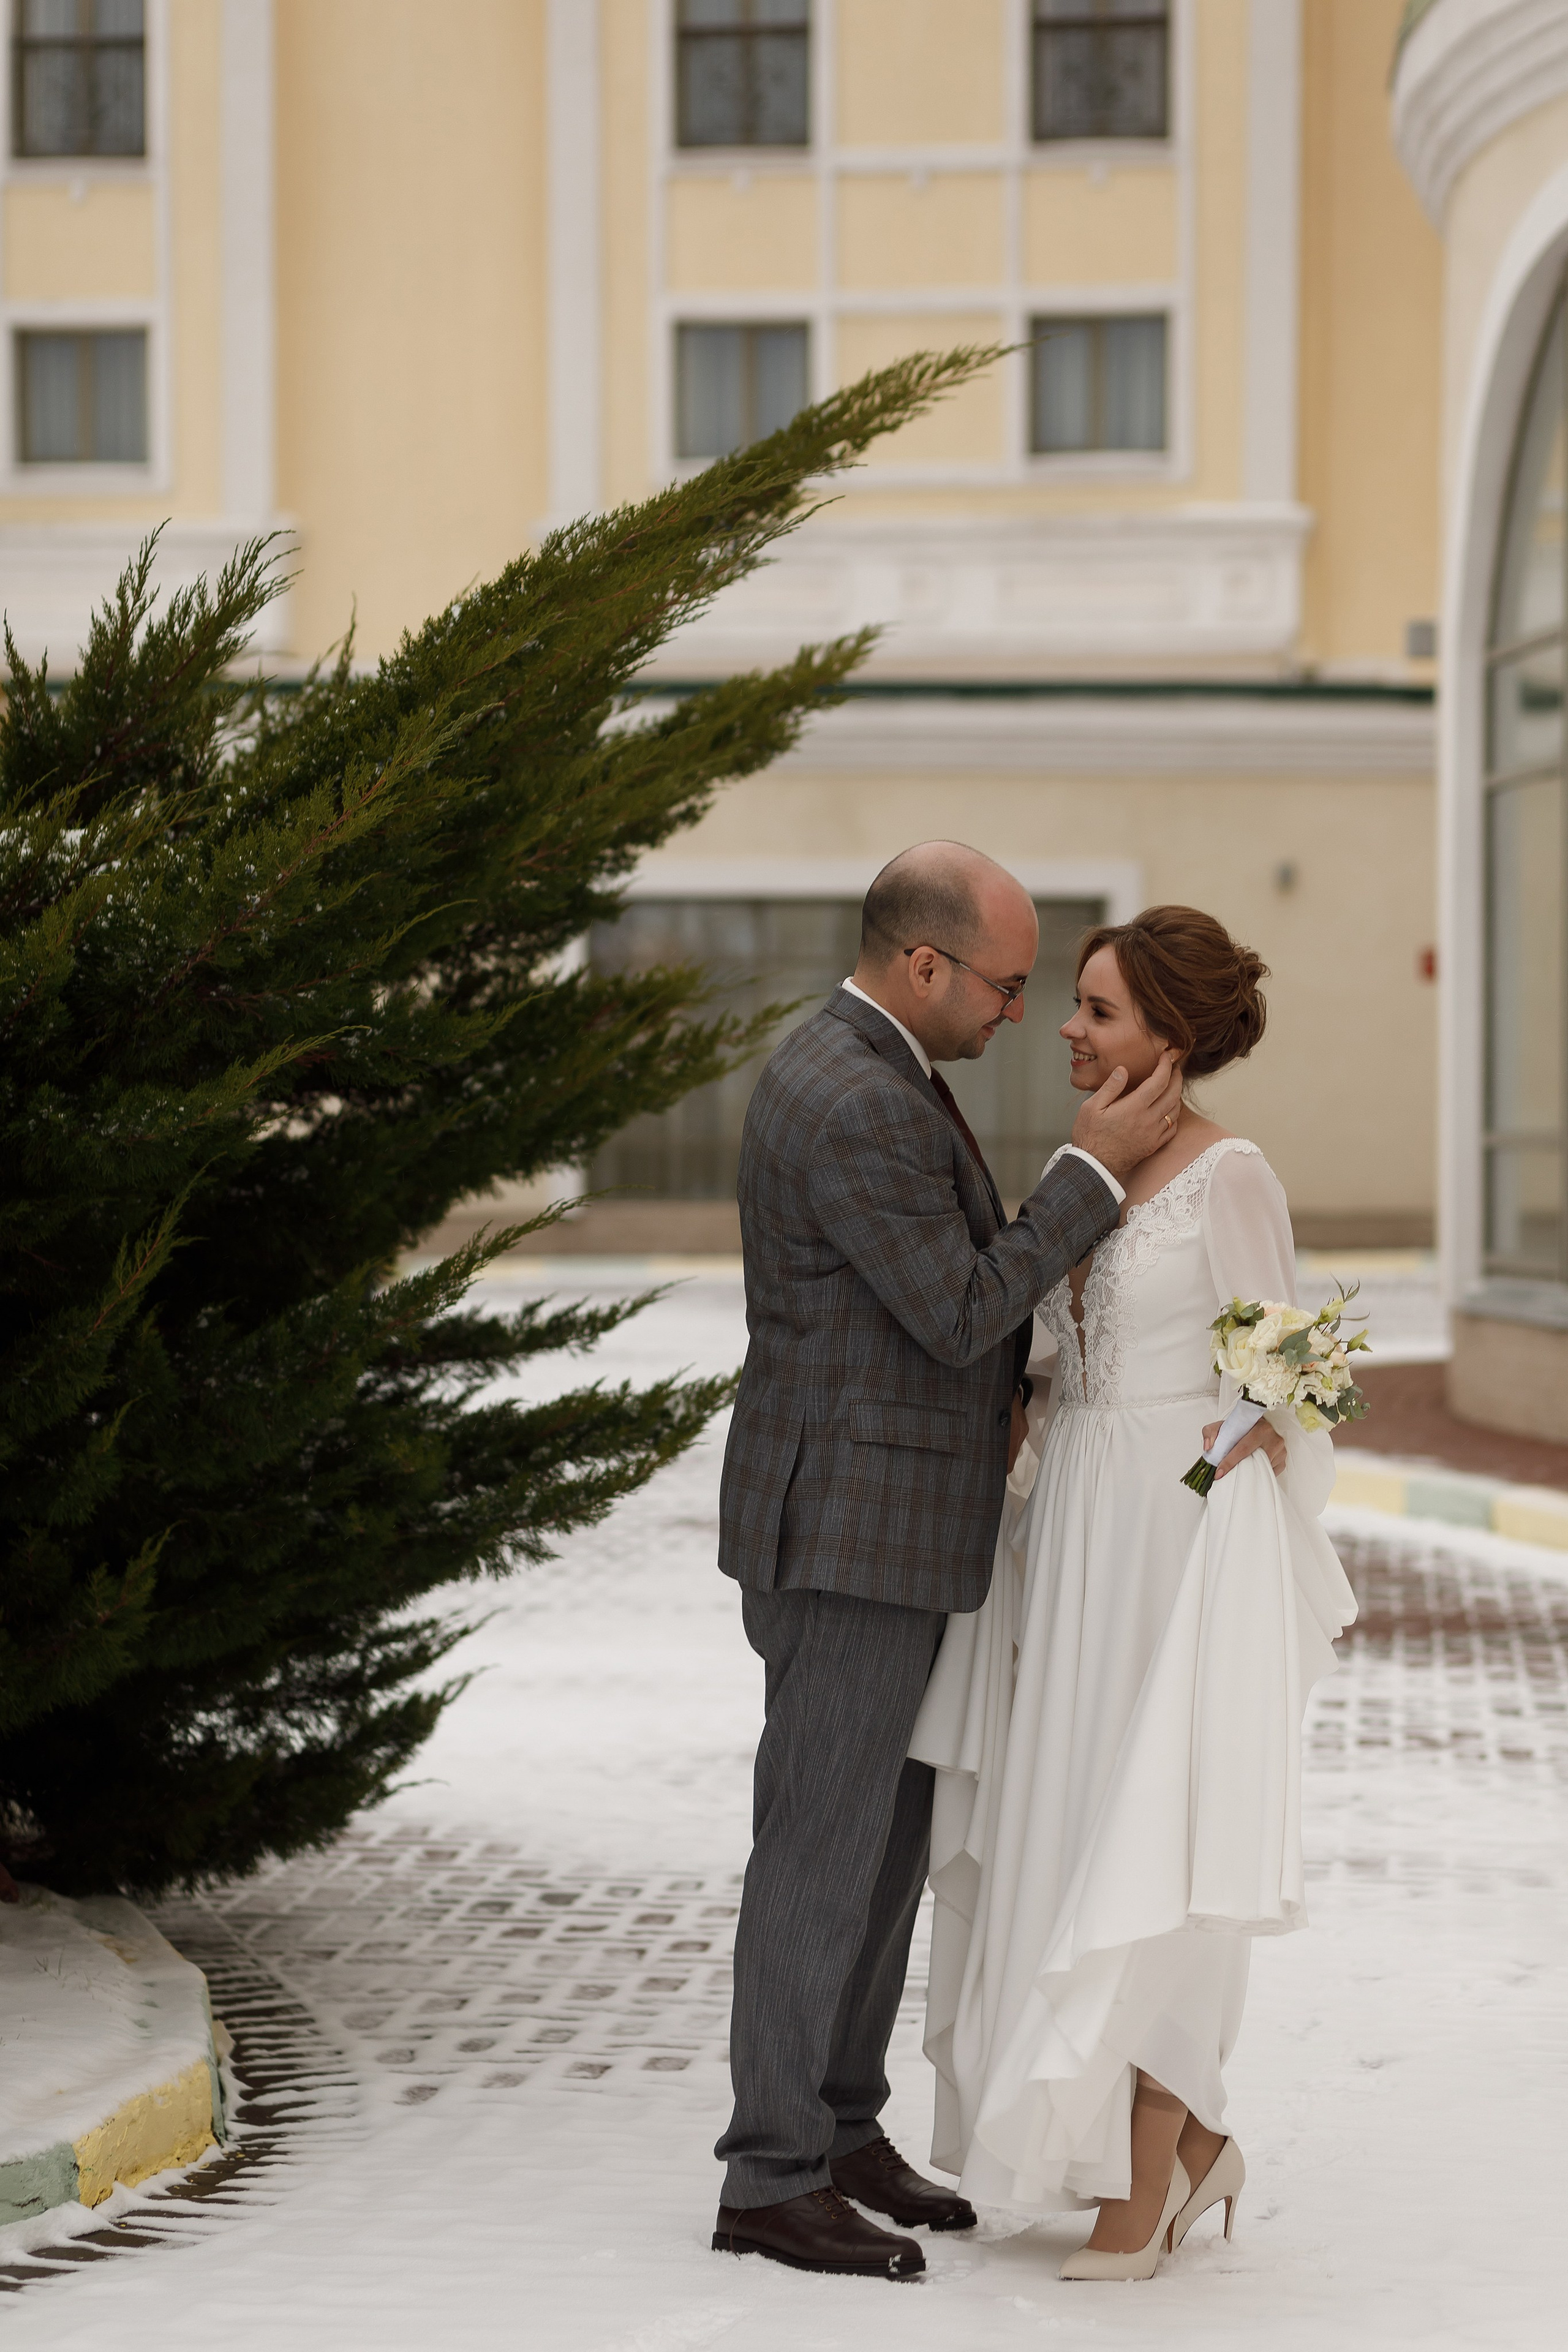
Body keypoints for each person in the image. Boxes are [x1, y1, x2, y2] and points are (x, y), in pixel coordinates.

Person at [710, 849, 1280, 2282]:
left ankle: (841, 2129)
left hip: (955, 1535)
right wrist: (1084, 1182)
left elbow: (1262, 1360)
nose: (1029, 1019)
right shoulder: (849, 1094)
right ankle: (773, 2175)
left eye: (1071, 999)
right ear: (924, 967)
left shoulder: (884, 1072)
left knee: (885, 1848)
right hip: (852, 1533)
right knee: (822, 1852)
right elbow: (962, 1309)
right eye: (1014, 987)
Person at [911, 905, 1357, 2280]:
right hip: (1071, 1543)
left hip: (1172, 1551)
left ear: (1168, 1034)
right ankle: (1167, 2145)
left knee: (1163, 1834)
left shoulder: (1232, 1178)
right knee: (1073, 1826)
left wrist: (1185, 1506)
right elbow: (1050, 1363)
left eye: (1096, 1009)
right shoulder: (1087, 1169)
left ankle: (1155, 2168)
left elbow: (1288, 1389)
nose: (1066, 1027)